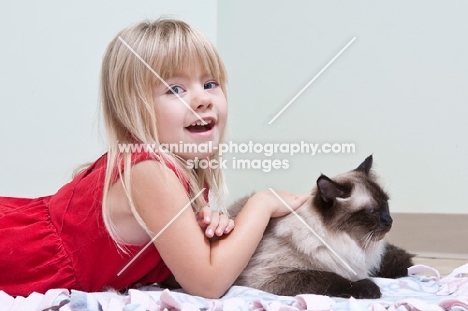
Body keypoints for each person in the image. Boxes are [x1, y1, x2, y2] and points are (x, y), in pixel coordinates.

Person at [0, 17, 310, 298]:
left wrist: (206, 231)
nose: (202, 99)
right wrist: (262, 204)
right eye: (175, 90)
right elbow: (207, 282)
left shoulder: (176, 169)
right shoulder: (150, 171)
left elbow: (191, 259)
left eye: (210, 84)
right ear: (133, 110)